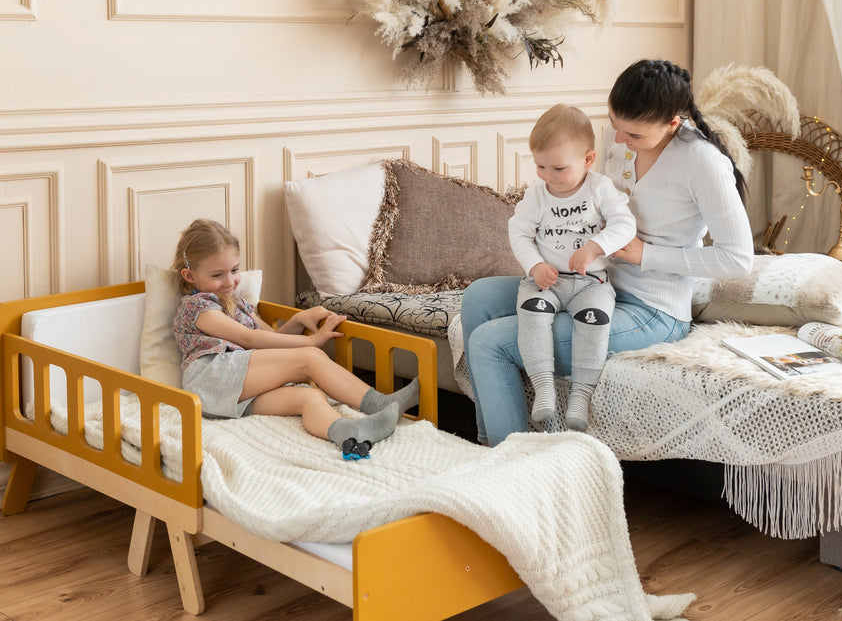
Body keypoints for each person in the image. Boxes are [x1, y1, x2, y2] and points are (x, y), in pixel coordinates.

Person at [462, 59, 754, 446]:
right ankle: (490, 442)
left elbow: (737, 259)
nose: (618, 142)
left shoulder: (703, 162)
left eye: (632, 134)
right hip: (592, 282)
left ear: (672, 123)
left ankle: (514, 465)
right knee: (478, 297)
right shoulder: (624, 144)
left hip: (650, 308)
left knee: (490, 341)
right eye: (615, 126)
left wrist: (645, 255)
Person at [171, 218, 419, 459]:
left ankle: (349, 432)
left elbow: (272, 338)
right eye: (217, 275)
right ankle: (378, 403)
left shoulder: (239, 304)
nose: (230, 281)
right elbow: (248, 338)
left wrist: (299, 321)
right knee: (309, 359)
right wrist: (311, 342)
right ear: (190, 275)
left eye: (235, 270)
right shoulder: (198, 306)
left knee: (308, 397)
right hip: (214, 379)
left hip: (237, 388)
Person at [509, 104, 636, 431]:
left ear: (588, 160)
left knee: (595, 323)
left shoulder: (600, 189)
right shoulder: (538, 194)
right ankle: (544, 387)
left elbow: (625, 225)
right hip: (545, 283)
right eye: (540, 166)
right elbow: (519, 232)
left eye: (558, 168)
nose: (548, 176)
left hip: (591, 283)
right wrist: (535, 265)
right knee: (531, 315)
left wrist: (595, 246)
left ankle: (581, 394)